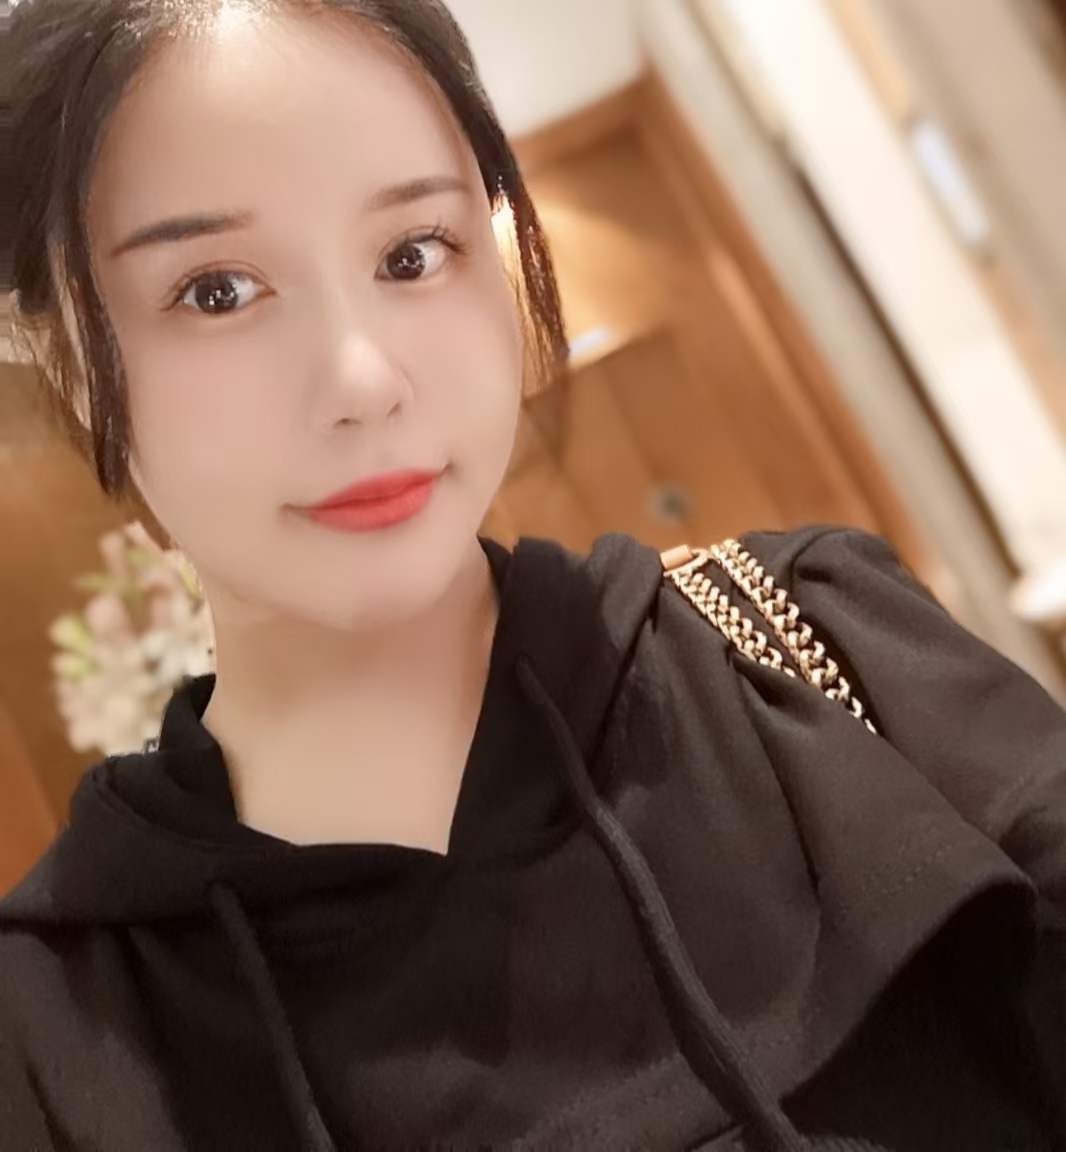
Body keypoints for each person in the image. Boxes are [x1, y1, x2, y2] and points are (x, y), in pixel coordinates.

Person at [1, 2, 1064, 1149]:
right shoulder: (54, 1034)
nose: (363, 378)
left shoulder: (826, 660)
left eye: (412, 253)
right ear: (67, 356)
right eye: (217, 290)